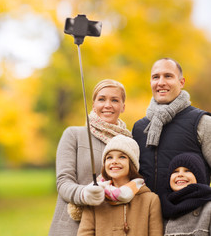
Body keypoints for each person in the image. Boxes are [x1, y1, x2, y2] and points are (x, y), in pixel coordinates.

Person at [48, 79, 133, 236]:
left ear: (123, 107)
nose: (107, 105)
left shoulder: (130, 144)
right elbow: (63, 182)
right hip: (72, 227)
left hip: (112, 227)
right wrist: (84, 193)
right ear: (94, 104)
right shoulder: (74, 135)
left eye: (114, 100)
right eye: (102, 99)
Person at [132, 57, 211, 197]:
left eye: (168, 76)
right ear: (150, 82)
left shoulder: (202, 122)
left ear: (181, 82)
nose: (161, 82)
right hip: (148, 216)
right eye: (156, 77)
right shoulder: (139, 128)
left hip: (191, 215)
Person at [77, 135, 163, 236]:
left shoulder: (150, 200)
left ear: (132, 163)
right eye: (109, 157)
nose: (114, 161)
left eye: (122, 157)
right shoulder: (95, 196)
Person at [161, 152, 211, 235]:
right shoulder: (162, 208)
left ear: (199, 176)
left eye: (187, 170)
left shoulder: (208, 208)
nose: (180, 174)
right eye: (175, 171)